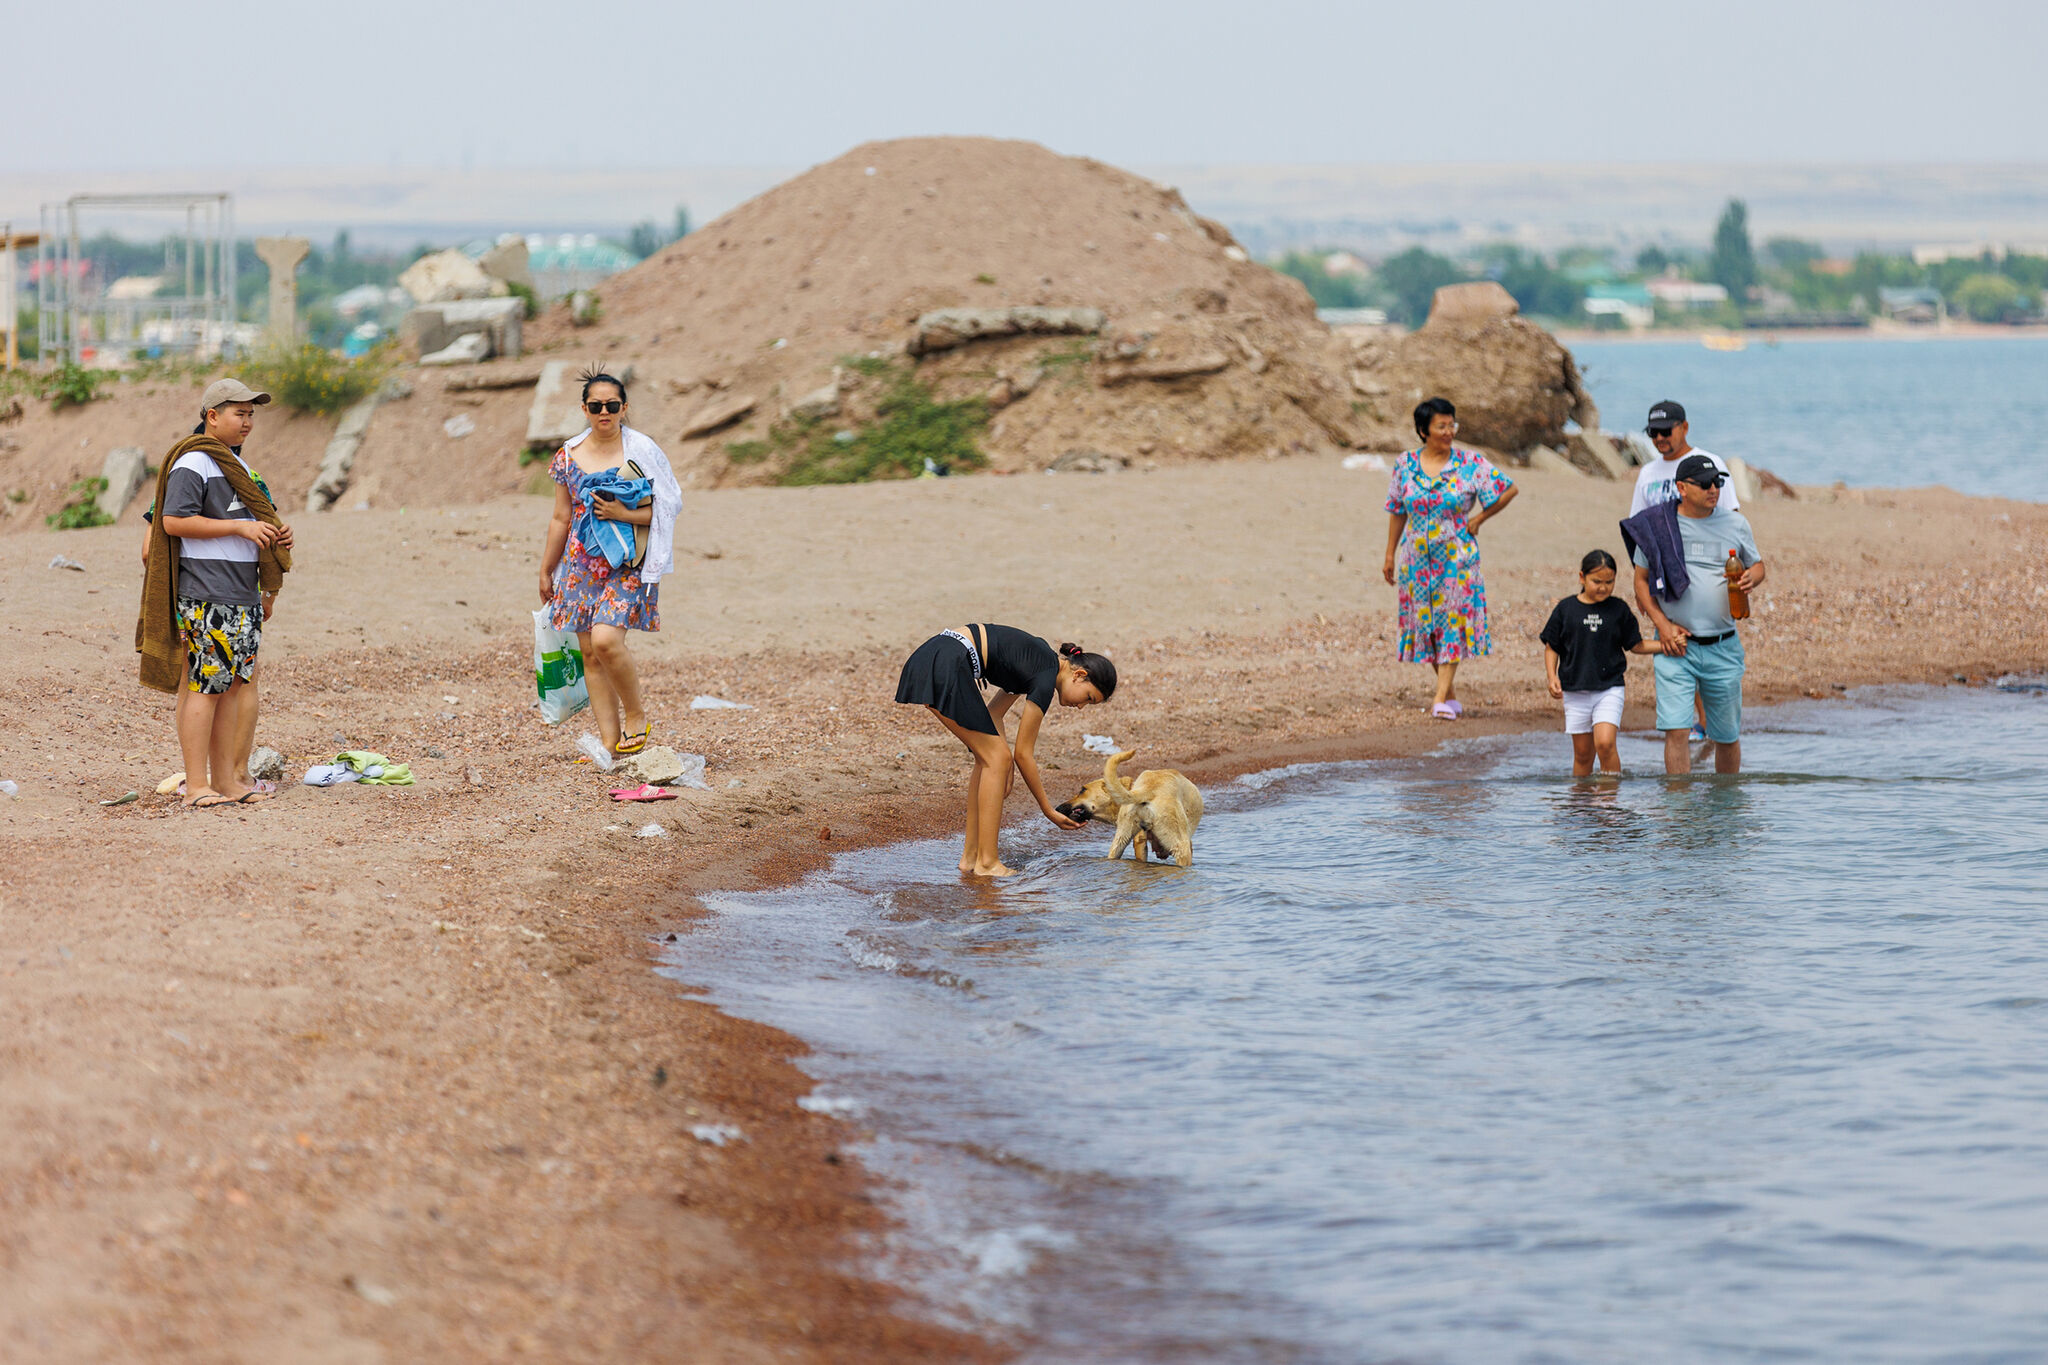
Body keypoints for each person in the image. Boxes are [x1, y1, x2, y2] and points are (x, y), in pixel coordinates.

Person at [136, 378, 293, 808]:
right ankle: (197, 785)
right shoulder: (193, 463)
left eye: (251, 415)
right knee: (205, 688)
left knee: (230, 688)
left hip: (239, 594)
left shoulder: (238, 468)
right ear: (212, 416)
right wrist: (241, 527)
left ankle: (227, 781)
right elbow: (172, 522)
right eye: (239, 413)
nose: (248, 422)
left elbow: (242, 523)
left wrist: (274, 537)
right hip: (207, 593)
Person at [537, 368, 683, 756]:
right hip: (580, 567)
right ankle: (610, 746)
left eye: (612, 405)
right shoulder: (568, 454)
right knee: (589, 654)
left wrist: (622, 512)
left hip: (627, 564)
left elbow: (668, 507)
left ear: (624, 408)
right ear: (585, 409)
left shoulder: (642, 450)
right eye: (597, 406)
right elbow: (560, 517)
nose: (605, 412)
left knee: (605, 640)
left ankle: (636, 715)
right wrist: (546, 568)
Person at [895, 626, 1115, 877]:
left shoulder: (1038, 660)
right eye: (1088, 698)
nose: (1081, 707)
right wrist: (1048, 810)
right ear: (1079, 675)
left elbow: (995, 713)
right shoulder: (1045, 677)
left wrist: (1004, 766)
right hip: (945, 661)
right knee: (996, 759)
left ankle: (971, 858)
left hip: (935, 656)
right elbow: (1024, 753)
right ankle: (988, 863)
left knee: (991, 760)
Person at [1621, 454, 1766, 775]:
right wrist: (1663, 625)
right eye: (1705, 484)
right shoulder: (1656, 525)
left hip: (1723, 644)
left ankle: (1726, 812)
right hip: (1675, 646)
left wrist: (1751, 578)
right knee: (1676, 732)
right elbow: (1640, 580)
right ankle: (1679, 814)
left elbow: (1758, 565)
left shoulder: (1735, 523)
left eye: (1718, 482)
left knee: (1727, 736)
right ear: (1682, 488)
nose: (1713, 489)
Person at [1382, 396, 1518, 719]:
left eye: (1451, 425)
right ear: (1423, 431)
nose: (1448, 431)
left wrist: (1479, 519)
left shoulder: (1470, 463)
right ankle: (1451, 694)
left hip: (1457, 559)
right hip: (1416, 560)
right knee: (1427, 626)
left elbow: (1508, 489)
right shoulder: (1405, 464)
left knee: (1451, 624)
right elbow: (1397, 509)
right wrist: (1389, 554)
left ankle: (1439, 698)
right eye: (1440, 426)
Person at [1629, 400, 1740, 740]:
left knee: (1701, 643)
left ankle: (1707, 722)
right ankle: (1694, 721)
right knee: (1675, 641)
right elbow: (1639, 527)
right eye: (1653, 433)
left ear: (1684, 427)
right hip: (1663, 573)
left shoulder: (1709, 465)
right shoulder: (1648, 473)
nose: (1660, 438)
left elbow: (1730, 516)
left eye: (1666, 431)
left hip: (1704, 574)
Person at [1541, 550, 1665, 776]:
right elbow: (1552, 647)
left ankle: (1609, 803)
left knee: (1605, 744)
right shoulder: (1566, 609)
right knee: (1582, 755)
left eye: (1610, 582)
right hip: (1574, 689)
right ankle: (1581, 804)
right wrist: (1552, 677)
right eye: (1596, 581)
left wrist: (1666, 644)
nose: (1603, 587)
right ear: (1582, 577)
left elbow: (1635, 645)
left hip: (1610, 688)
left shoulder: (1618, 610)